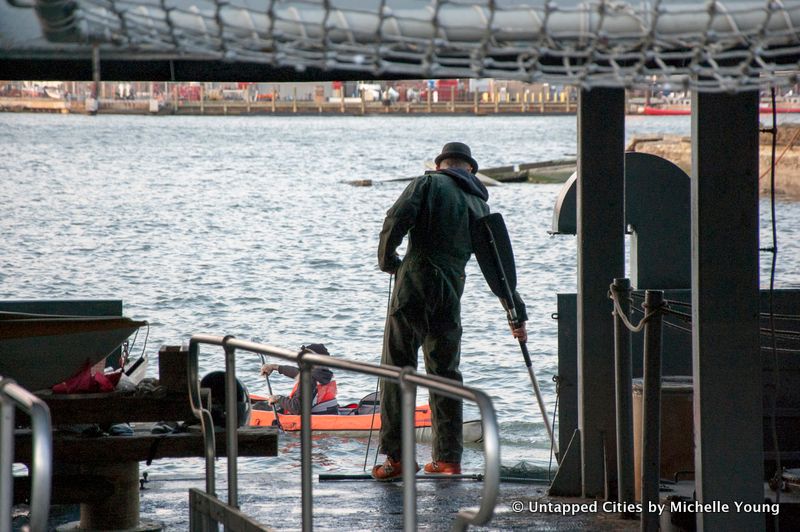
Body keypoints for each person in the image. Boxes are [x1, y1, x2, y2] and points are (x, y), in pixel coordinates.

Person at [372, 142, 528, 481]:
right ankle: (447, 459)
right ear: (469, 169)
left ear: (442, 164)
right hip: (452, 288)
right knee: (445, 371)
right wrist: (515, 313)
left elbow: (396, 218)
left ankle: (397, 459)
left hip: (416, 279)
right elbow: (498, 266)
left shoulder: (427, 183)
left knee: (398, 366)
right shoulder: (478, 203)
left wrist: (387, 259)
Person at [259, 344, 339, 415]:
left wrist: (278, 398)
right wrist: (275, 367)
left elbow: (297, 408)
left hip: (314, 417)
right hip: (330, 412)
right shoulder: (325, 374)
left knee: (259, 407)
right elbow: (298, 372)